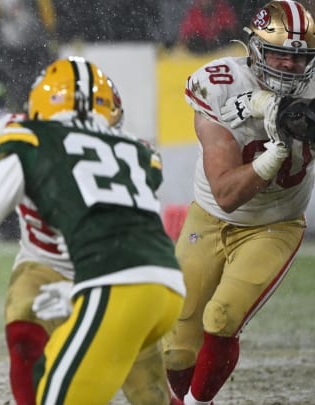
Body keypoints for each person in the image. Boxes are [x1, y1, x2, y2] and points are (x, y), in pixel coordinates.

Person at [0, 56, 186, 405]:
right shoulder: (137, 151)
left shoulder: (27, 136)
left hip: (107, 278)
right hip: (107, 272)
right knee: (29, 338)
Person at [162, 1, 315, 404]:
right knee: (176, 343)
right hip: (211, 215)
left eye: (298, 59)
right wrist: (272, 156)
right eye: (279, 54)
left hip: (275, 223)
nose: (287, 67)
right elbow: (227, 195)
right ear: (256, 49)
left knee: (222, 316)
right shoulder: (219, 83)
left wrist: (278, 109)